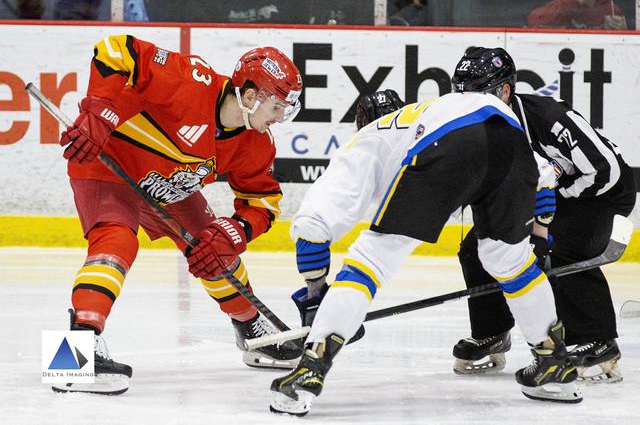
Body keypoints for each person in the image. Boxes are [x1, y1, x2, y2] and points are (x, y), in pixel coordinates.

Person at [270, 88, 583, 416]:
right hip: (510, 135)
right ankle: (554, 364)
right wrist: (540, 235)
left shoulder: (367, 140)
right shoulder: (428, 114)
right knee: (509, 260)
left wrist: (316, 294)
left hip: (449, 143)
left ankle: (309, 370)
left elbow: (312, 227)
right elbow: (543, 176)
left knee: (370, 260)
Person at [51, 35, 303, 394]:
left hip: (169, 185)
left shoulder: (256, 143)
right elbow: (116, 50)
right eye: (276, 107)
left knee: (214, 248)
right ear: (250, 97)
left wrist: (233, 232)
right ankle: (73, 357)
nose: (279, 118)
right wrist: (99, 112)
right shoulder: (190, 81)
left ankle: (252, 332)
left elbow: (262, 202)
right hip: (108, 163)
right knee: (117, 242)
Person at [449, 47, 636, 383]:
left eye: (477, 95)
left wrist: (554, 205)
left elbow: (606, 168)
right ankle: (493, 332)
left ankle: (599, 340)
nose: (467, 104)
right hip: (542, 193)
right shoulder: (473, 129)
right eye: (461, 95)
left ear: (505, 91)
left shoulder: (548, 117)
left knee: (560, 246)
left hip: (601, 192)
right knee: (476, 247)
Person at [528, 0, 628, 30]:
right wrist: (576, 1)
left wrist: (624, 31)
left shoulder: (610, 8)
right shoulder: (563, 3)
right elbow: (534, 20)